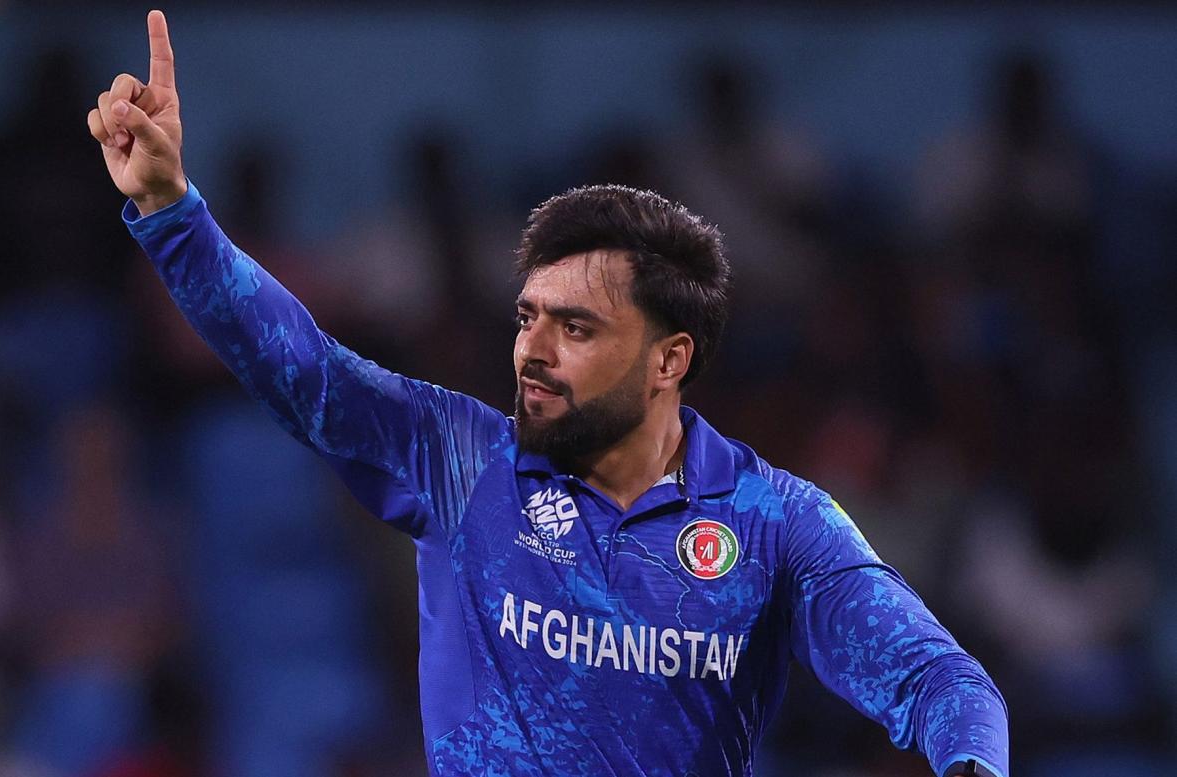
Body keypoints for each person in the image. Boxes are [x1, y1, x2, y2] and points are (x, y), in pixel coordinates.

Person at [86, 11, 1008, 777]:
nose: (530, 348)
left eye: (576, 327)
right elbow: (301, 365)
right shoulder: (459, 459)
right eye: (528, 315)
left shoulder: (778, 524)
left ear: (668, 359)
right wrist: (173, 214)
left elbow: (941, 681)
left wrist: (969, 762)